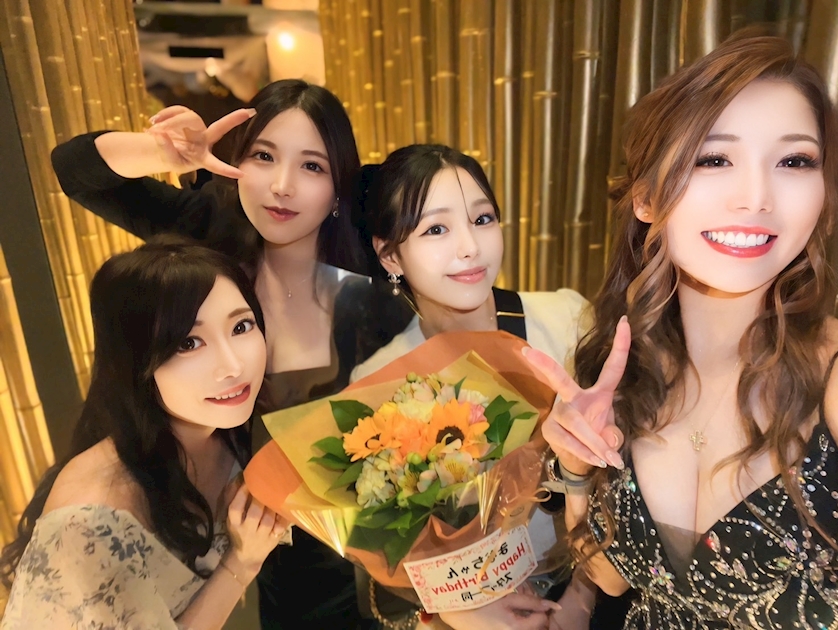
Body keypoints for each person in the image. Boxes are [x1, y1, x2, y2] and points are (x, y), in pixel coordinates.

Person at [50, 79, 412, 628]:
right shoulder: (208, 230)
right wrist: (162, 152)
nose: (282, 186)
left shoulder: (368, 253)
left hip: (392, 514)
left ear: (339, 184)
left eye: (312, 166)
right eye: (263, 156)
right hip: (275, 540)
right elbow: (75, 169)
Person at [523, 31, 838, 629]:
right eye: (713, 159)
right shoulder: (620, 367)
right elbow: (610, 577)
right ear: (645, 198)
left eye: (794, 161)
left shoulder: (833, 380)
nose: (756, 197)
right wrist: (576, 468)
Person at [350, 144, 618, 630]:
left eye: (482, 219)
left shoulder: (566, 320)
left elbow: (621, 482)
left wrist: (581, 599)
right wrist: (462, 609)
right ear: (390, 254)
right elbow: (390, 546)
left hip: (588, 589)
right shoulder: (379, 379)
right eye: (436, 229)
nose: (470, 246)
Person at [0, 237, 285, 629]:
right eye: (189, 342)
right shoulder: (90, 525)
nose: (234, 365)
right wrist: (243, 562)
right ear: (135, 362)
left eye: (241, 326)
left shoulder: (231, 429)